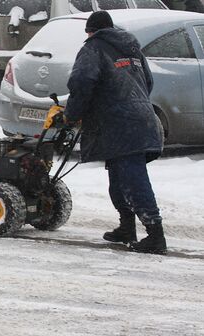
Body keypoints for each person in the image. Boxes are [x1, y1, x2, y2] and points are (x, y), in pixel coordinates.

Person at [63, 11, 166, 254]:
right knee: (119, 177)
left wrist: (72, 114)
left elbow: (81, 81)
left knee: (132, 178)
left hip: (119, 122)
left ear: (91, 31)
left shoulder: (94, 47)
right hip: (141, 118)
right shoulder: (132, 49)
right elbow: (147, 82)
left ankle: (155, 235)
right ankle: (127, 227)